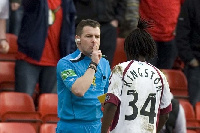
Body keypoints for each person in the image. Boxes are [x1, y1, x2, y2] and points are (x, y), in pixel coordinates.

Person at [101, 18, 172, 133]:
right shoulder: (160, 75)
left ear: (128, 48)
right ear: (149, 49)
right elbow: (165, 114)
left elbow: (111, 105)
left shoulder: (121, 69)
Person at [56, 19, 111, 133]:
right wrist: (94, 64)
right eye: (89, 36)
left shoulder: (105, 63)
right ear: (78, 39)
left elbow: (104, 96)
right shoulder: (66, 63)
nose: (94, 41)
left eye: (97, 36)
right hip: (72, 126)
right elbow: (79, 90)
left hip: (96, 125)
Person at [15, 0, 76, 96]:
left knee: (50, 107)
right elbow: (28, 4)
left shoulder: (67, 2)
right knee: (23, 104)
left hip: (55, 62)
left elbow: (70, 33)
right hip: (29, 58)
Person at [73, 0, 126, 67]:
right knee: (82, 61)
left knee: (106, 62)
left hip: (108, 25)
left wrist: (118, 19)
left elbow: (122, 3)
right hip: (85, 25)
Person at [139, 0, 184, 69]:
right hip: (147, 36)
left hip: (171, 36)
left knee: (165, 75)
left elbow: (187, 7)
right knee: (146, 74)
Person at [176, 0, 200, 107]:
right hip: (196, 66)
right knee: (195, 105)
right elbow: (181, 35)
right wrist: (190, 59)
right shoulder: (191, 3)